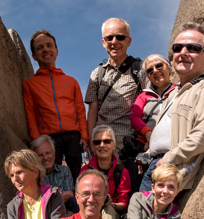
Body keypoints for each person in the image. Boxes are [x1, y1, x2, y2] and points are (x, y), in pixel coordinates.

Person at [139, 22, 204, 193]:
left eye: (193, 48)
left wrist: (168, 159)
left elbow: (202, 136)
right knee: (136, 218)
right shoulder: (175, 92)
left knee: (144, 218)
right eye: (178, 48)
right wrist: (148, 155)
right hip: (155, 165)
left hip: (170, 169)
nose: (183, 53)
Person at [22, 29, 88, 180]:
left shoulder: (71, 81)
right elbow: (30, 115)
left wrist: (84, 135)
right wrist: (37, 141)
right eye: (40, 47)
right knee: (51, 179)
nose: (45, 49)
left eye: (48, 45)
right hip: (49, 138)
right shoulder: (29, 85)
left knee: (77, 177)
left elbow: (80, 110)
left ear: (56, 51)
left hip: (73, 136)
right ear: (34, 56)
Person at [85, 17, 143, 158]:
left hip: (127, 143)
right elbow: (92, 112)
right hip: (100, 143)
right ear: (103, 43)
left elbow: (150, 106)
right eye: (109, 38)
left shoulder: (141, 69)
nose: (114, 42)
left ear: (128, 41)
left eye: (120, 37)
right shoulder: (97, 74)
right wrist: (92, 142)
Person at [129, 53, 176, 190]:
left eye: (159, 66)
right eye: (150, 70)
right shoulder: (144, 95)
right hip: (143, 145)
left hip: (168, 147)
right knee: (137, 186)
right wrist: (148, 134)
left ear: (169, 68)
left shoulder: (179, 91)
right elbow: (134, 117)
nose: (155, 71)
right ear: (148, 76)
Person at [78, 125, 132, 219]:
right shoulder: (85, 170)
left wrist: (111, 204)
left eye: (107, 141)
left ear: (114, 145)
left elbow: (123, 204)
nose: (102, 145)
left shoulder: (122, 172)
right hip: (89, 208)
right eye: (97, 142)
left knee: (108, 210)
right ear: (93, 147)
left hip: (110, 211)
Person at [31, 134, 76, 212]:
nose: (45, 158)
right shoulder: (33, 176)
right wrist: (60, 195)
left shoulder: (64, 170)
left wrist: (49, 197)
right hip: (45, 211)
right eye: (40, 155)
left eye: (48, 153)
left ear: (54, 155)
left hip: (66, 208)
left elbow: (70, 194)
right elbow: (38, 201)